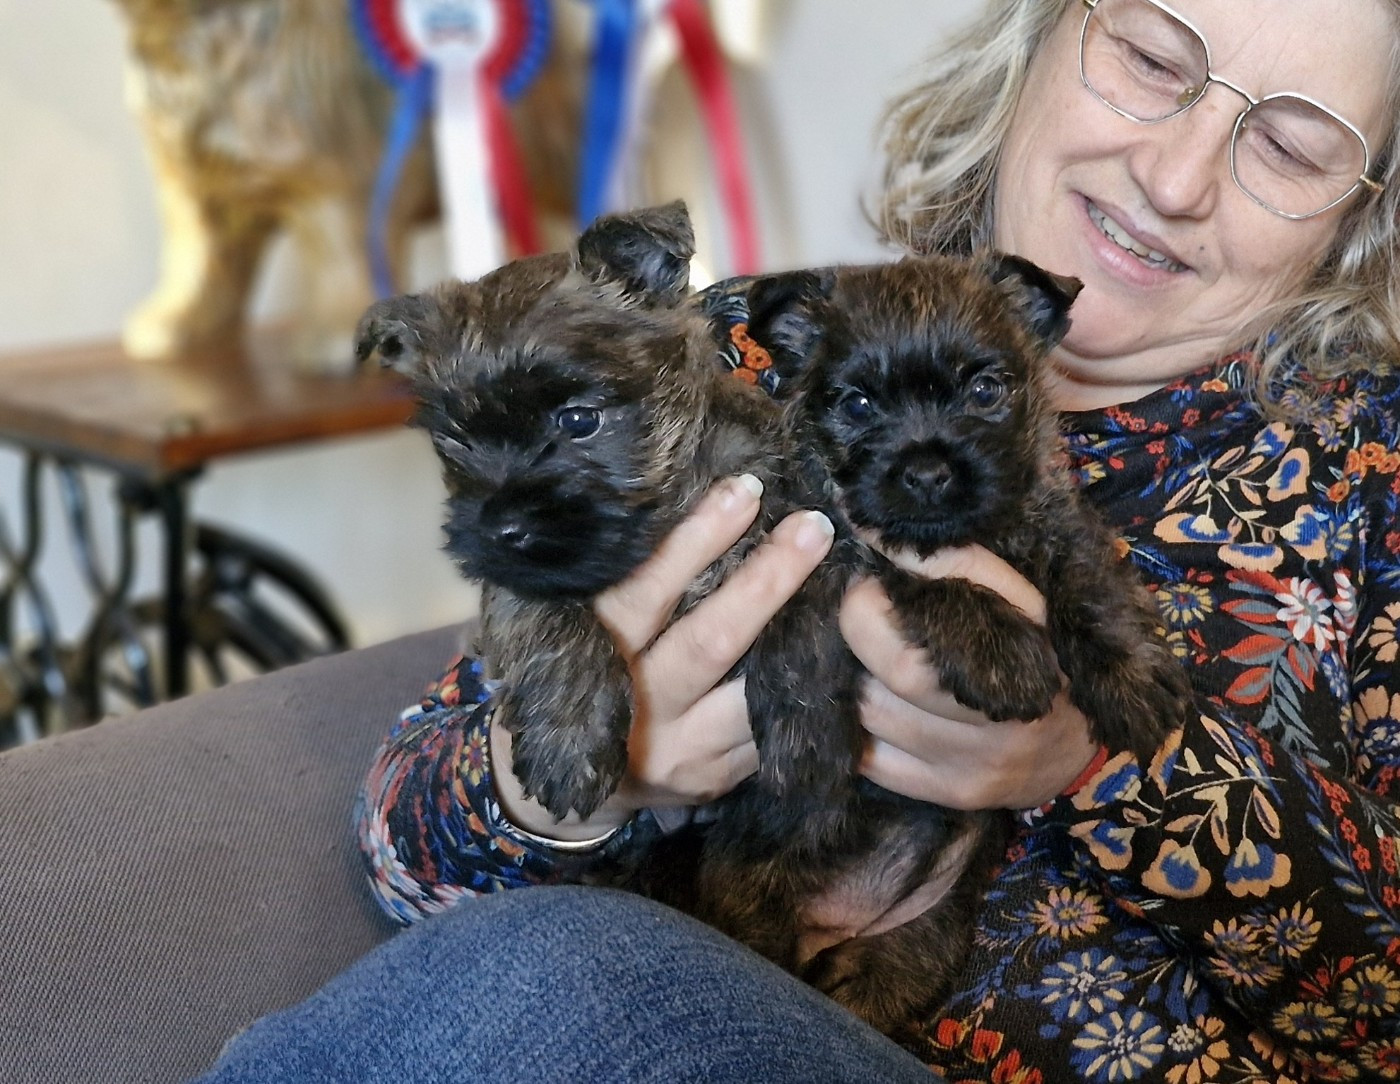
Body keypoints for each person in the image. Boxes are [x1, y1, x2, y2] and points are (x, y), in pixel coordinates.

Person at [198, 0, 1400, 1080]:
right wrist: (577, 782)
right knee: (542, 966)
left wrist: (1097, 769)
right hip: (697, 971)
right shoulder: (732, 345)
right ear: (1032, 42)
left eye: (1288, 146)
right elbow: (402, 853)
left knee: (565, 968)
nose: (1177, 174)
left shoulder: (1367, 474)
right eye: (1149, 58)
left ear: (1360, 215)